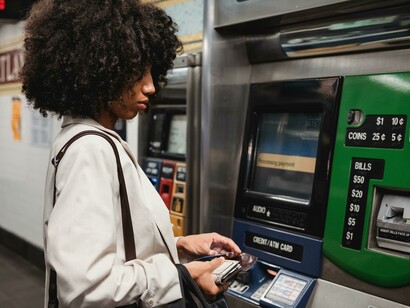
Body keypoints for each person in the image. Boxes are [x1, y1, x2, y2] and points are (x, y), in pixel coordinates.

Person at [20, 0, 241, 307]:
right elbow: (87, 288)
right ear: (99, 70)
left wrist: (178, 246)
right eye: (137, 72)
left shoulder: (87, 138)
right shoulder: (91, 148)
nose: (150, 86)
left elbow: (119, 247)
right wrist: (184, 275)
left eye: (152, 70)